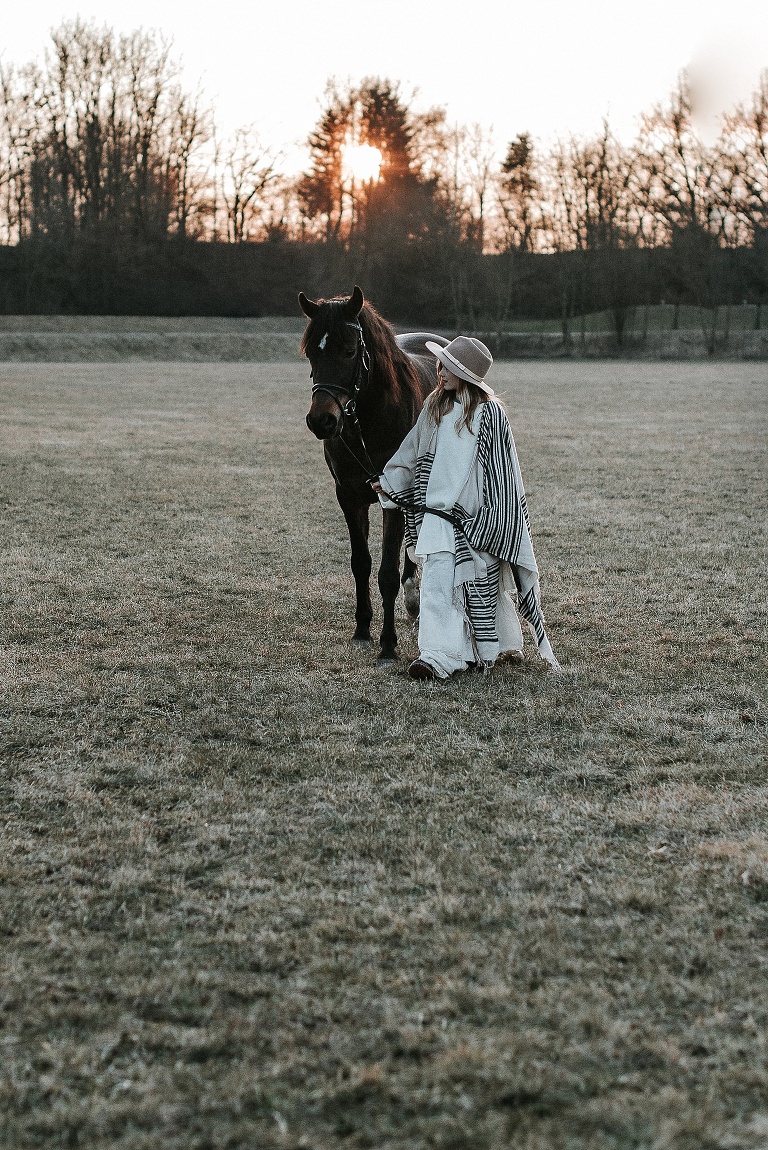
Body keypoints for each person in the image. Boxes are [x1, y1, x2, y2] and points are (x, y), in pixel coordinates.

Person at [370, 335, 559, 681]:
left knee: (473, 590)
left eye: (447, 367)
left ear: (464, 374)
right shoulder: (434, 407)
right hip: (438, 518)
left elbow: (505, 474)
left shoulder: (491, 415)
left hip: (477, 520)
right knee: (438, 586)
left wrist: (489, 520)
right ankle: (437, 657)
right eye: (441, 364)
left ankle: (470, 651)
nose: (438, 371)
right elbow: (412, 451)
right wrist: (391, 480)